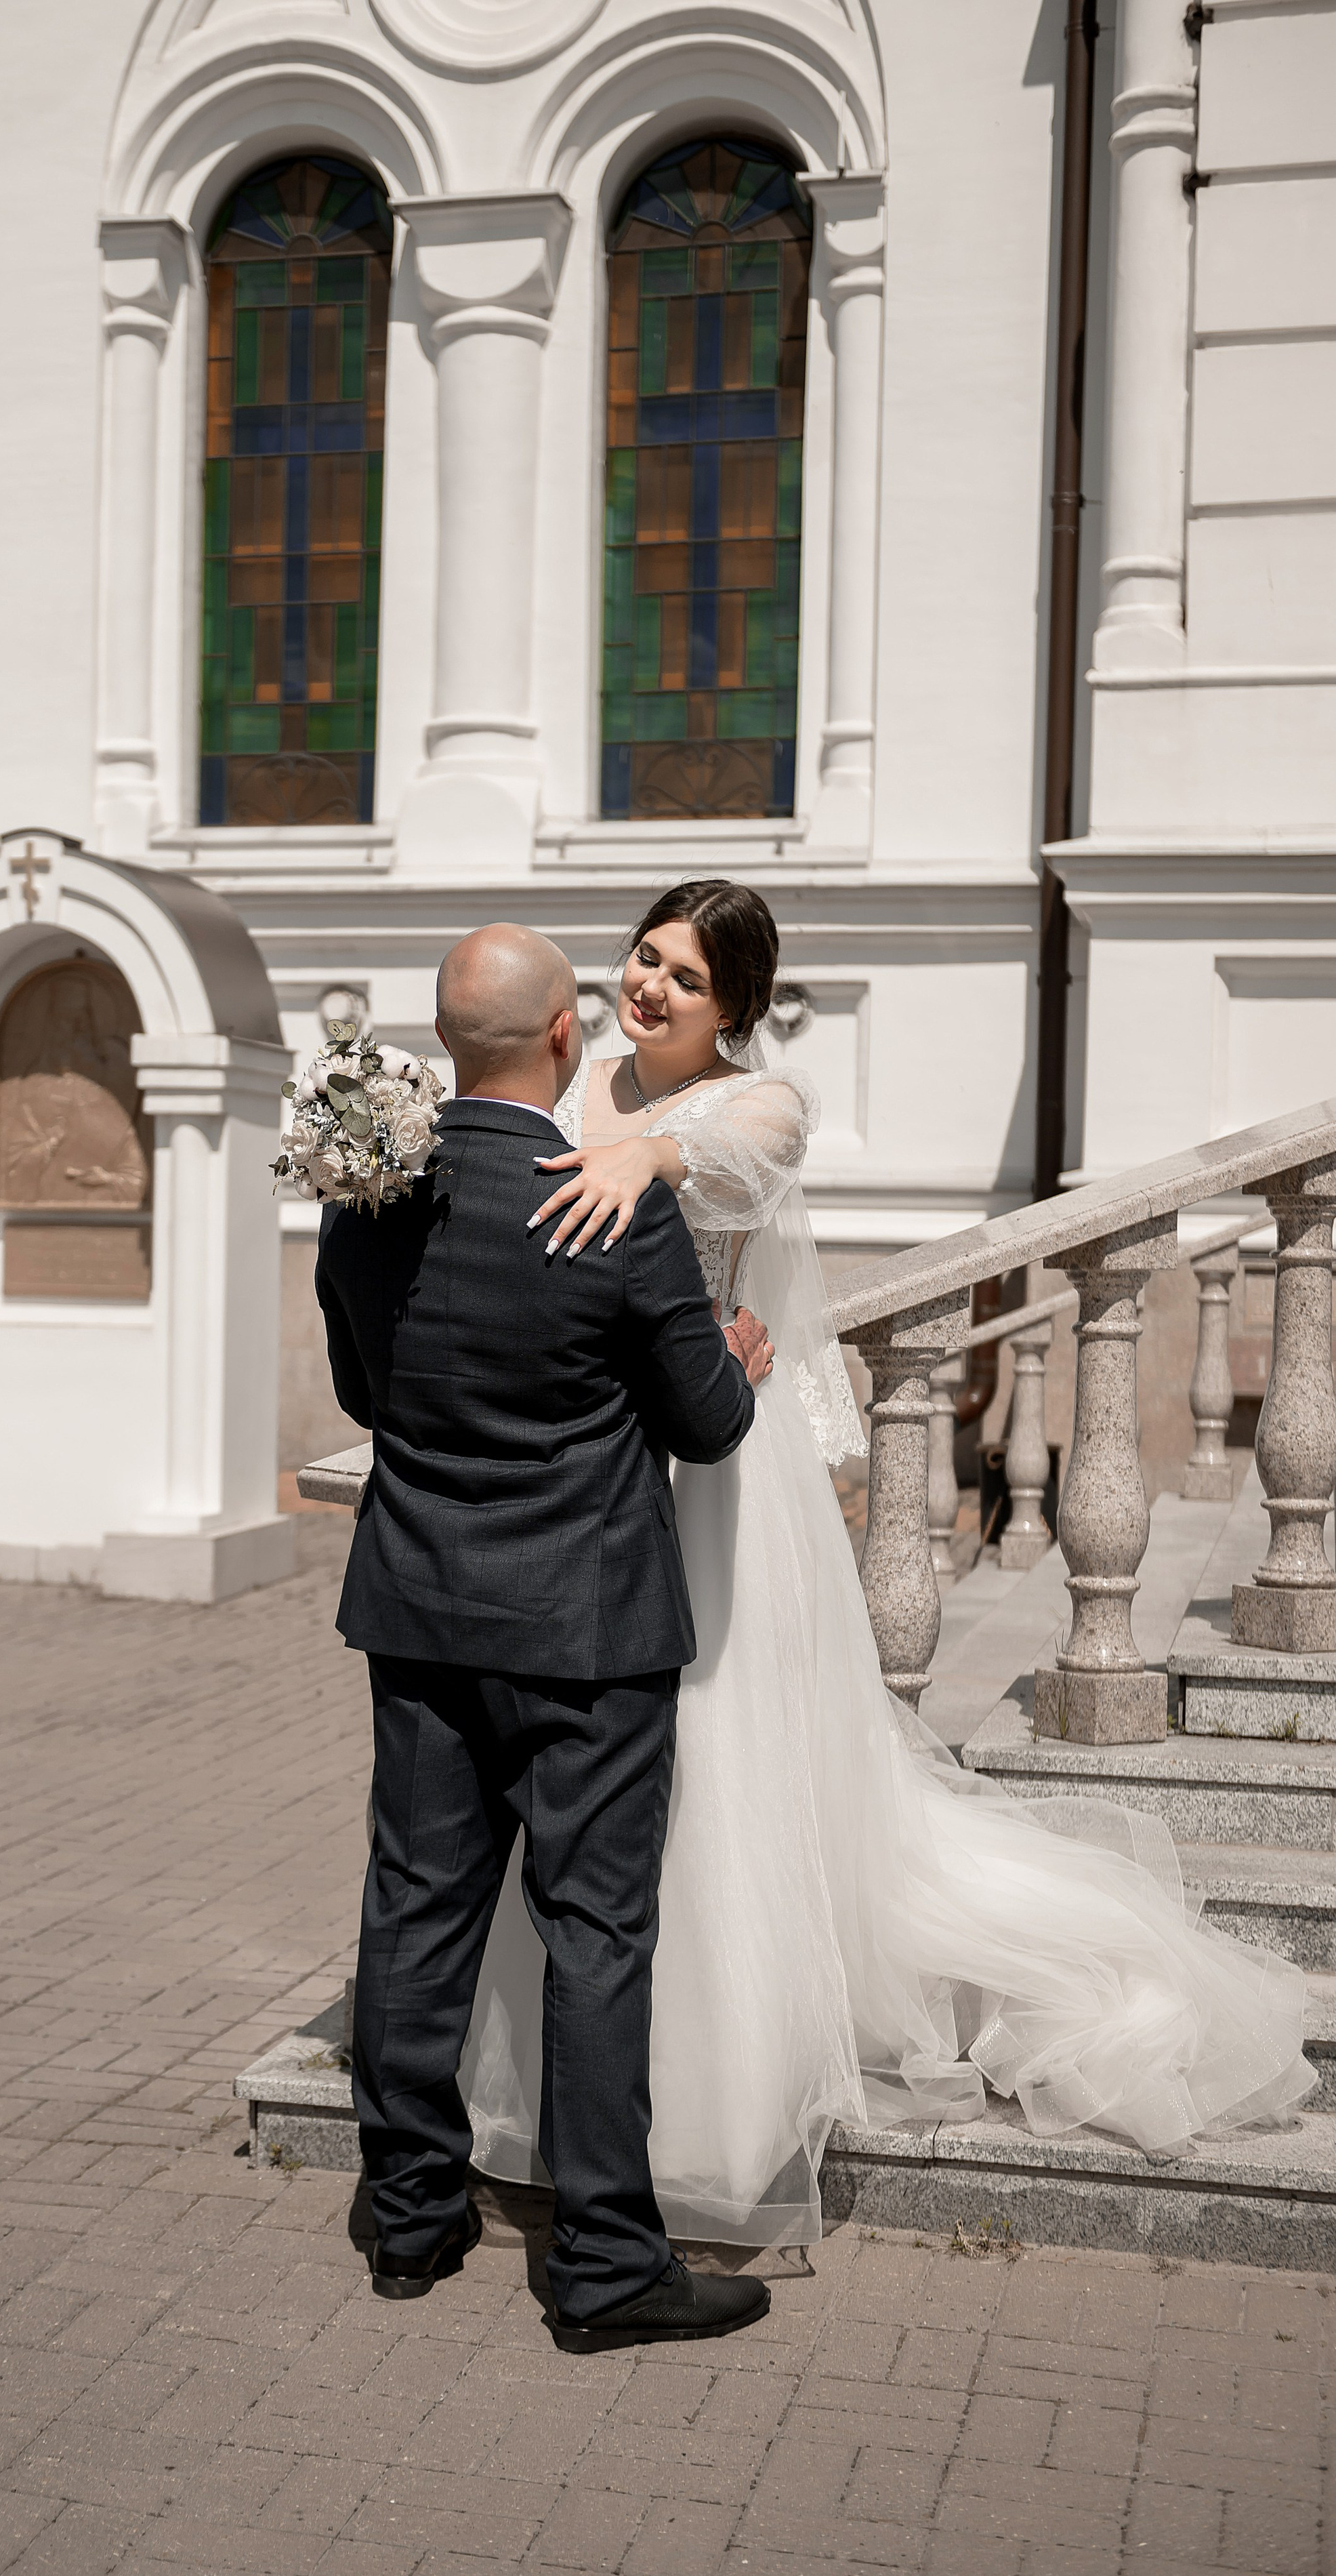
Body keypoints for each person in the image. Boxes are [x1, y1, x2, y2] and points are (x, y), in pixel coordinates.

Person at [461, 878, 1314, 2248]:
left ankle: (709, 2095)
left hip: (710, 1472)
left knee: (708, 1753)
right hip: (587, 1467)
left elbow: (734, 1162)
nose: (650, 987)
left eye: (685, 976)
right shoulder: (575, 1084)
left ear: (736, 1006)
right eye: (642, 958)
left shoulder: (760, 1105)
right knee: (590, 1767)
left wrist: (651, 1157)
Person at [314, 923, 780, 2350]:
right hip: (585, 1626)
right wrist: (734, 1361)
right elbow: (704, 1424)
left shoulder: (365, 1193)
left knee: (415, 1906)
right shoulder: (612, 1206)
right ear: (566, 1036)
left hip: (421, 1606)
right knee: (594, 1933)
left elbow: (364, 1390)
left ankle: (408, 2217)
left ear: (443, 1041)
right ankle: (603, 2267)